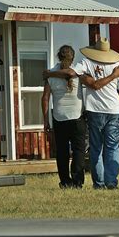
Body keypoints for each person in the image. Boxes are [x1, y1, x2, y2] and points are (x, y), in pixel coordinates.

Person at [44, 38, 119, 190]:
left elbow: (47, 97)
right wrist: (113, 78)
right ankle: (99, 181)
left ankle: (85, 182)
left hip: (77, 113)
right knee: (103, 148)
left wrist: (49, 73)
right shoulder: (114, 66)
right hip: (96, 113)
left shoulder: (82, 65)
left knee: (86, 148)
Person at [41, 45, 86, 189]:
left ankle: (65, 181)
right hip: (77, 115)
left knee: (62, 151)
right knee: (78, 150)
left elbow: (45, 98)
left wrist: (45, 119)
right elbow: (71, 75)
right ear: (72, 58)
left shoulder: (51, 74)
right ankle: (78, 181)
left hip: (59, 116)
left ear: (58, 57)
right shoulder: (77, 72)